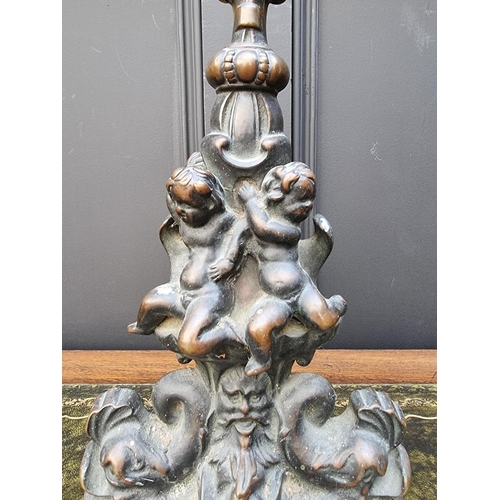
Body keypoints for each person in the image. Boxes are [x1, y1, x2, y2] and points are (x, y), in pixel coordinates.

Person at [128, 154, 249, 358]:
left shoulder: (222, 221)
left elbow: (243, 227)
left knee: (189, 344)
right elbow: (172, 200)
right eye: (178, 203)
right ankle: (144, 327)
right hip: (184, 293)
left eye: (188, 205)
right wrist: (187, 174)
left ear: (210, 203)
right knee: (148, 305)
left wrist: (229, 261)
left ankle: (226, 333)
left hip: (209, 296)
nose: (180, 210)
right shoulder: (184, 221)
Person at [238, 162, 346, 376]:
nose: (307, 206)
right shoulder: (262, 227)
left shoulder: (290, 231)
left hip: (301, 291)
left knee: (325, 321)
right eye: (299, 199)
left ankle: (336, 305)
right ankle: (261, 359)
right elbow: (254, 232)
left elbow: (263, 228)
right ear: (276, 196)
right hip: (276, 300)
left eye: (310, 200)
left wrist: (250, 201)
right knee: (257, 329)